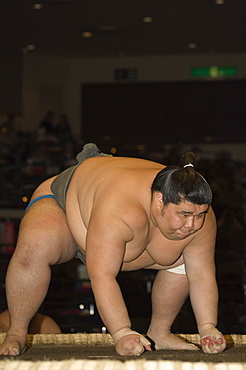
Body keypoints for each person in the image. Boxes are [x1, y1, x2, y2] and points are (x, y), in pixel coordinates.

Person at [0, 143, 226, 356]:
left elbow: (201, 275)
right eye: (185, 215)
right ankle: (16, 332)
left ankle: (160, 331)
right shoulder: (120, 210)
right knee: (35, 245)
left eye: (199, 215)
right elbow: (101, 275)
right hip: (66, 206)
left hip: (115, 225)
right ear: (159, 202)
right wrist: (122, 332)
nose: (192, 225)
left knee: (187, 262)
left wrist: (208, 328)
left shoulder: (200, 218)